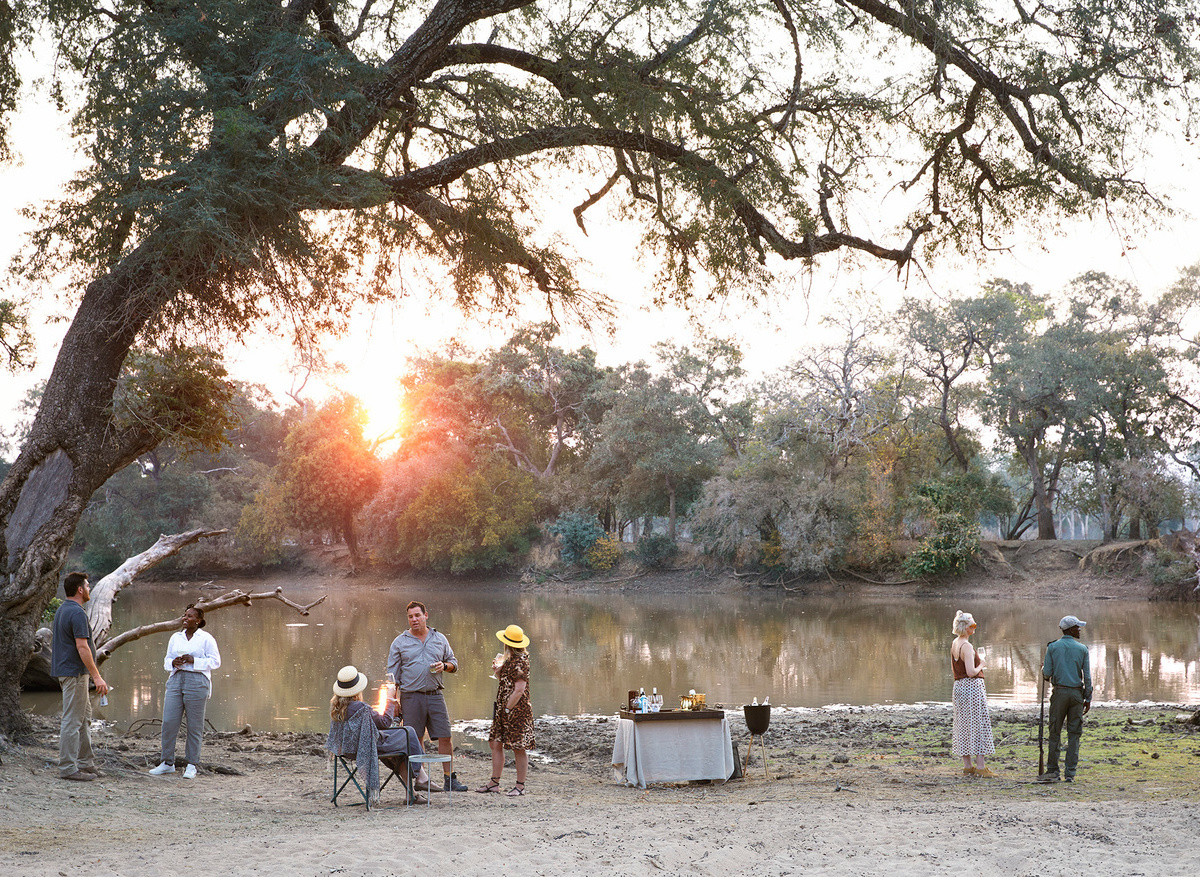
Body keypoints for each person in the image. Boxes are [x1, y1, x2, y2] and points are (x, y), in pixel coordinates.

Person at [386, 600, 468, 792]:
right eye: (410, 616)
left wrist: (444, 666)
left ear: (426, 615)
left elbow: (454, 663)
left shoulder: (439, 638)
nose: (414, 620)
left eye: (417, 615)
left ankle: (449, 779)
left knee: (445, 736)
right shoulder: (400, 642)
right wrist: (394, 701)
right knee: (416, 738)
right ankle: (421, 779)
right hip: (410, 696)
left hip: (435, 695)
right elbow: (391, 677)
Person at [328, 666, 428, 804]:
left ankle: (411, 793)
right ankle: (421, 777)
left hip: (347, 750)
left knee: (401, 748)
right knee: (408, 732)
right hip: (366, 748)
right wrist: (390, 700)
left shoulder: (336, 708)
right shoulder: (361, 708)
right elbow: (385, 722)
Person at [149, 605, 221, 779]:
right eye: (184, 616)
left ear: (198, 620)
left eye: (189, 616)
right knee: (168, 722)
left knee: (194, 725)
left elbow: (216, 661)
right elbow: (166, 659)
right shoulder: (176, 637)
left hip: (197, 681)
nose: (185, 618)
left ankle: (191, 764)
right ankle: (167, 763)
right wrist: (173, 663)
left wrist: (194, 660)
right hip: (176, 679)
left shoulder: (206, 638)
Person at [51, 571, 110, 781]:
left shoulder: (63, 610)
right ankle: (67, 768)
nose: (89, 588)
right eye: (87, 585)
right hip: (75, 674)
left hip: (75, 674)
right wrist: (98, 677)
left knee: (84, 719)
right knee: (72, 721)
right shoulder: (76, 612)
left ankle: (86, 763)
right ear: (80, 589)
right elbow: (82, 647)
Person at [477, 624, 536, 797]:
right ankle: (494, 783)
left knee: (519, 747)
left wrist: (508, 709)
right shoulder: (509, 660)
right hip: (503, 708)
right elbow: (506, 682)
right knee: (495, 742)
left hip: (516, 711)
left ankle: (520, 786)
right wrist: (498, 672)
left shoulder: (521, 662)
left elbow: (519, 690)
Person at [1038, 615, 1092, 783]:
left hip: (1059, 693)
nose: (1080, 629)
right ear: (1070, 629)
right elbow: (1088, 678)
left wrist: (1044, 671)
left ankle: (1053, 771)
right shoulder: (1083, 649)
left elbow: (1047, 673)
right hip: (1077, 695)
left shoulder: (1052, 647)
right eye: (1077, 627)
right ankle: (1070, 773)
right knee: (1074, 733)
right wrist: (1088, 697)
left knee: (1055, 732)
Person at [949, 610, 996, 778]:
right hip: (971, 688)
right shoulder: (967, 646)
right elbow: (970, 672)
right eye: (973, 625)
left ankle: (968, 766)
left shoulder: (955, 643)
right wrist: (982, 664)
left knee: (963, 724)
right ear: (965, 628)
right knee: (978, 723)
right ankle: (981, 766)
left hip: (959, 688)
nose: (975, 628)